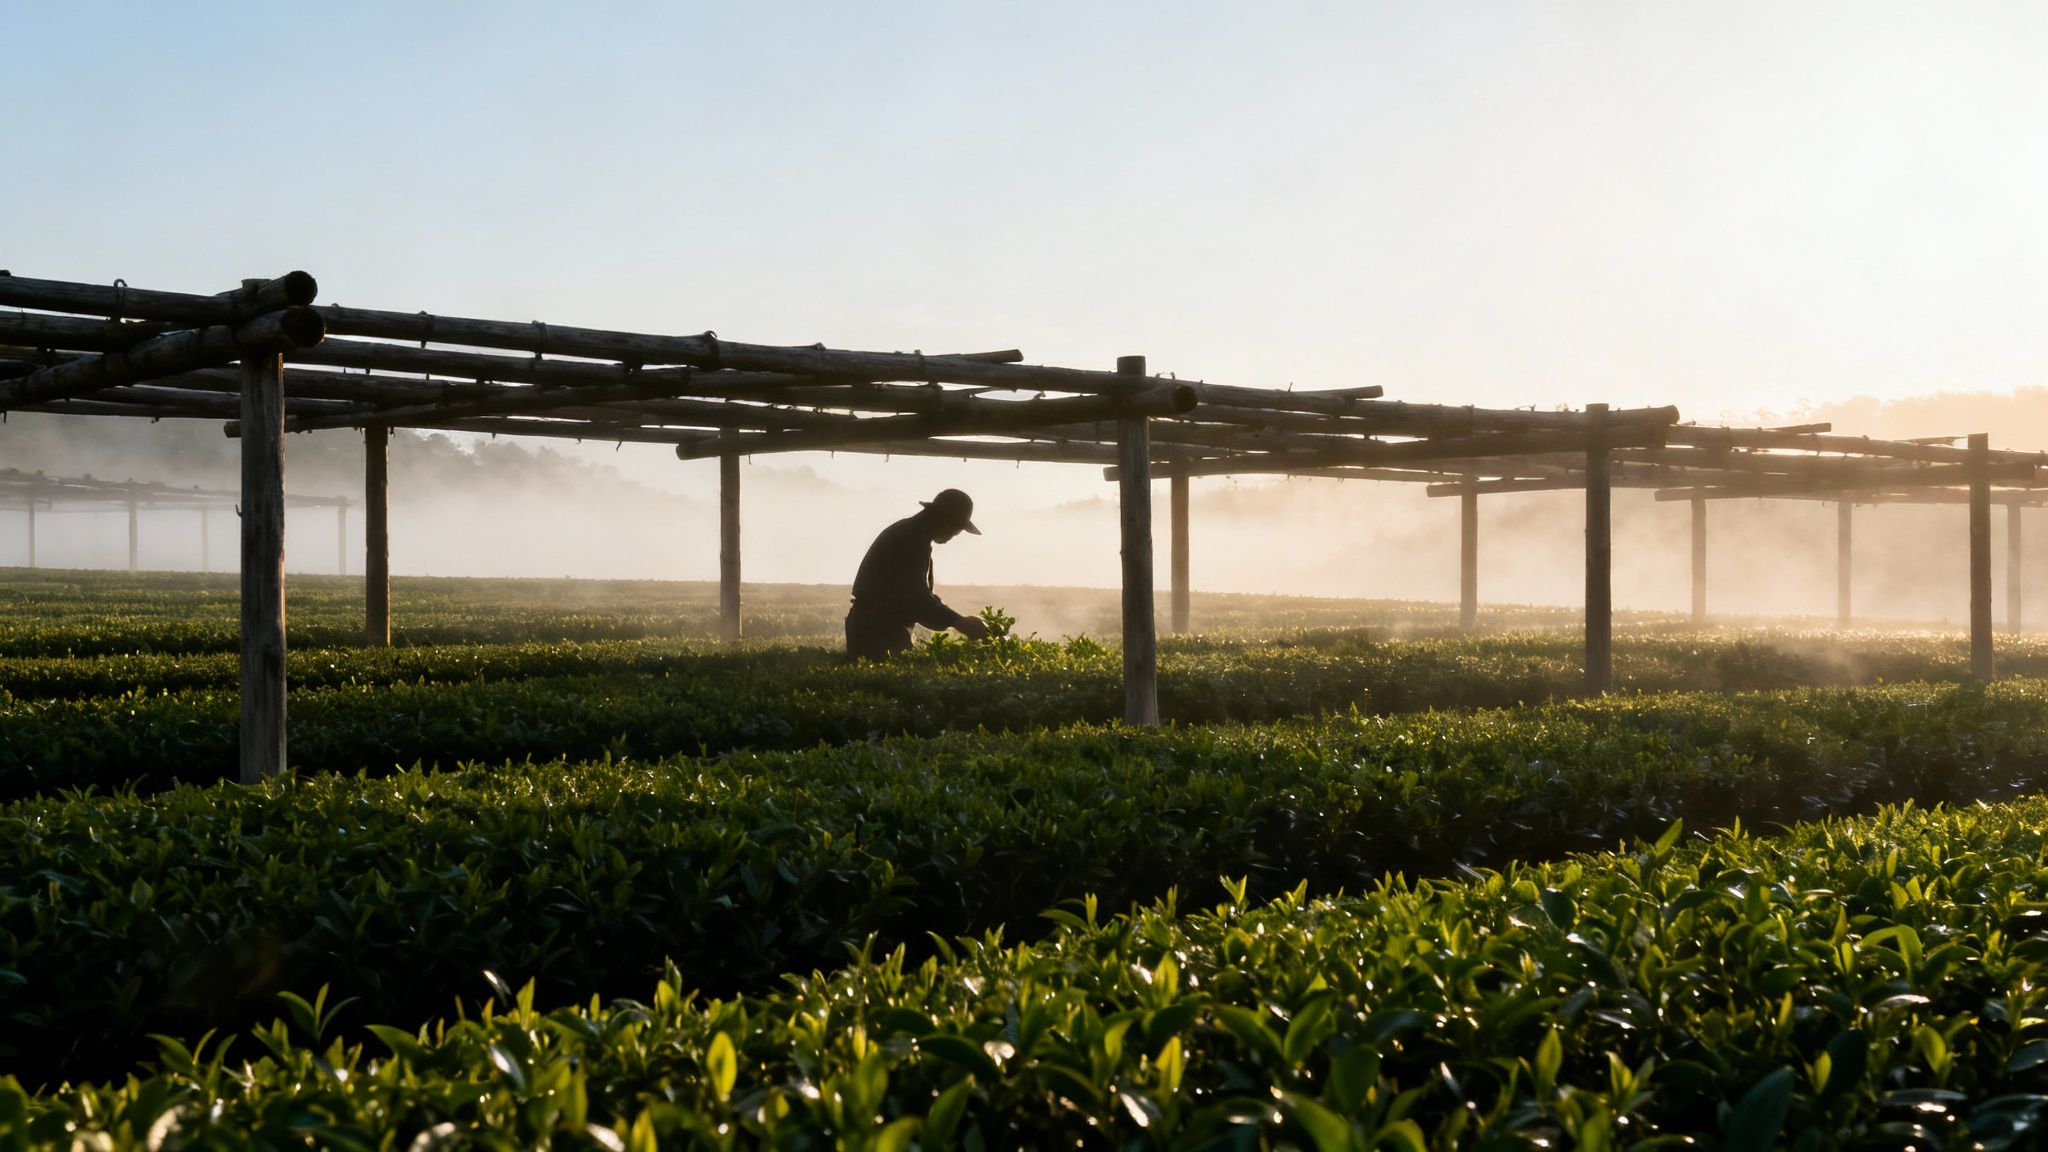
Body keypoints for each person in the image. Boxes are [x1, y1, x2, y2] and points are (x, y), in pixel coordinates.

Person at [846, 488, 991, 658]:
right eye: (957, 530)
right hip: (877, 630)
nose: (954, 535)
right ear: (947, 522)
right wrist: (959, 622)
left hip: (875, 627)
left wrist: (956, 619)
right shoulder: (911, 540)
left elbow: (918, 595)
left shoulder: (912, 535)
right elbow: (915, 597)